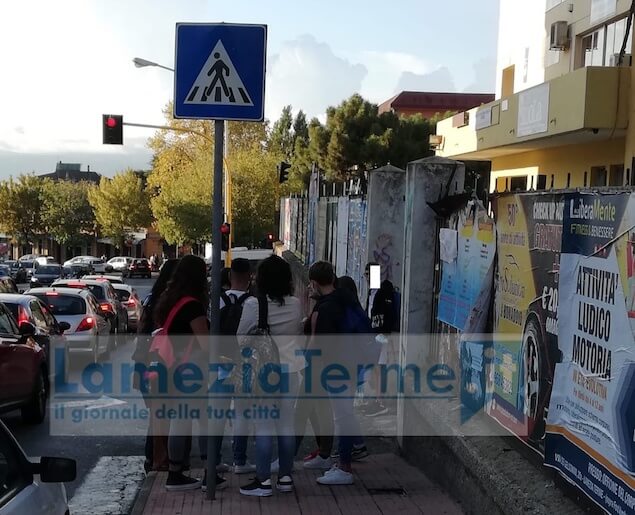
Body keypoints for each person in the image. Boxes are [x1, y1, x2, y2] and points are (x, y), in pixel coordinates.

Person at [153, 255, 224, 492]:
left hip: (175, 368)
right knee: (205, 422)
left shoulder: (172, 301)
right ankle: (208, 473)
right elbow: (205, 344)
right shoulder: (193, 306)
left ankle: (175, 474)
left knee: (180, 421)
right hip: (194, 370)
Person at [236, 255, 305, 497]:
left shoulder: (255, 305)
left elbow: (241, 337)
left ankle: (263, 481)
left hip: (265, 373)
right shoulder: (296, 304)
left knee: (263, 425)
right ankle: (285, 478)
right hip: (292, 370)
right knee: (286, 425)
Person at [308, 261, 366, 486]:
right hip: (353, 363)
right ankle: (344, 461)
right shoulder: (346, 298)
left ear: (313, 283)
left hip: (336, 368)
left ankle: (344, 467)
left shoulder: (325, 308)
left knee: (341, 417)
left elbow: (320, 346)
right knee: (345, 415)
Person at [133, 258, 180, 473]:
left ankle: (152, 458)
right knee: (162, 415)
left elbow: (142, 333)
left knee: (156, 414)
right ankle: (158, 459)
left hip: (145, 363)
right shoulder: (171, 302)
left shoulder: (151, 299)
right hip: (162, 363)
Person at [218, 259, 256, 474]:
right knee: (242, 413)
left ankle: (215, 460)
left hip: (221, 362)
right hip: (246, 363)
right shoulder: (255, 302)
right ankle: (240, 461)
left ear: (230, 276)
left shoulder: (219, 300)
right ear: (249, 277)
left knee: (219, 412)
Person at [364, 263, 397, 417]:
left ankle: (380, 401)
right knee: (375, 366)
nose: (367, 278)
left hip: (381, 334)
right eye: (366, 274)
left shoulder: (384, 292)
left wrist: (384, 334)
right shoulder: (371, 292)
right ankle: (376, 398)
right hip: (372, 334)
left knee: (380, 366)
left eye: (369, 274)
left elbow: (388, 315)